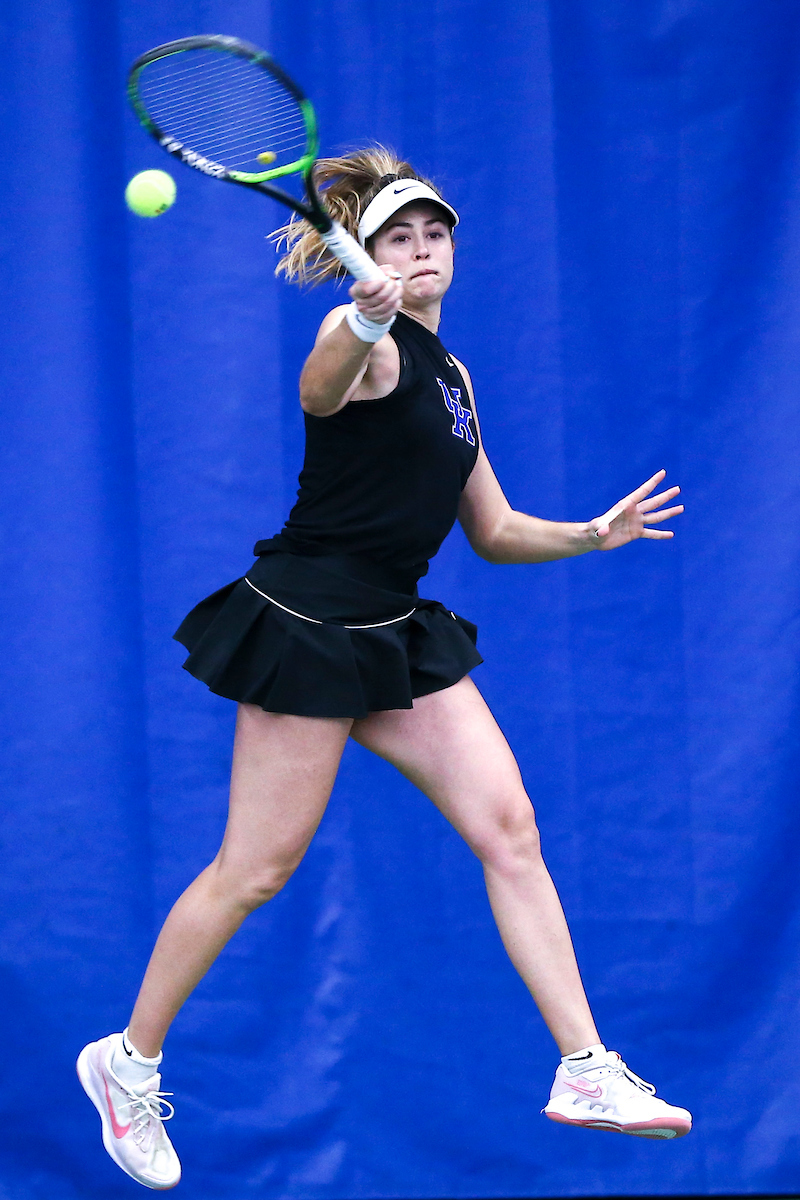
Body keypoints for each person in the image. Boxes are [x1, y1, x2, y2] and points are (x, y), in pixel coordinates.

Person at [77, 147, 690, 1190]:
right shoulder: (359, 339)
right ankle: (126, 1061)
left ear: (452, 249)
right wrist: (359, 318)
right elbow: (321, 391)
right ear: (367, 252)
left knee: (510, 828)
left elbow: (491, 530)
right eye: (398, 235)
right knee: (255, 870)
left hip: (395, 627)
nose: (419, 249)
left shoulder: (452, 377)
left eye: (432, 233)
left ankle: (585, 1066)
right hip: (308, 621)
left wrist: (591, 533)